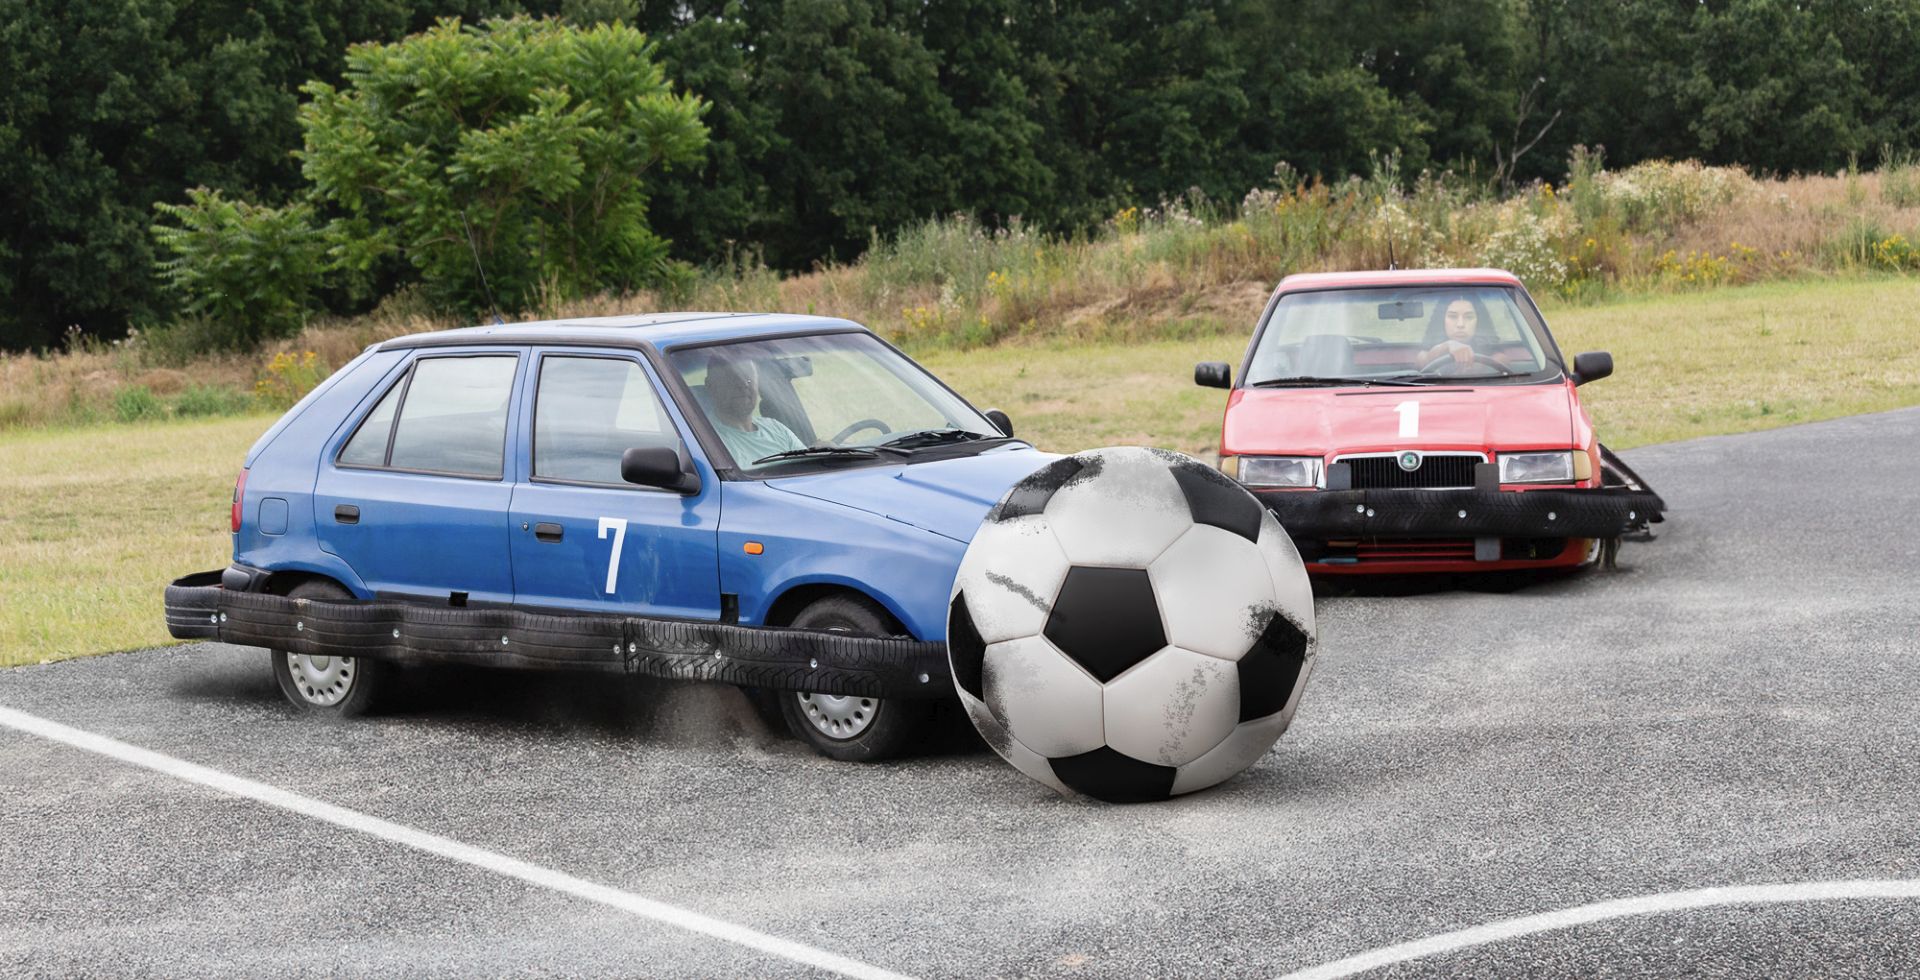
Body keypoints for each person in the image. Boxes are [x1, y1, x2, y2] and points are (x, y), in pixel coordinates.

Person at [705, 351, 806, 465]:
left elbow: (807, 466)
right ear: (710, 386)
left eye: (748, 379)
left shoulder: (775, 427)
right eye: (732, 379)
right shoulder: (707, 439)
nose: (743, 385)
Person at [1421, 294, 1495, 367]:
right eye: (1453, 316)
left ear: (1479, 321)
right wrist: (1446, 346)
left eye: (1469, 317)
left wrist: (1480, 366)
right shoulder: (1428, 349)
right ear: (1441, 320)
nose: (1460, 324)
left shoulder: (1492, 350)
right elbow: (1421, 361)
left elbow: (1503, 361)